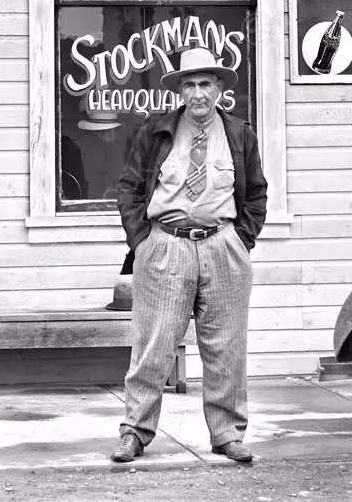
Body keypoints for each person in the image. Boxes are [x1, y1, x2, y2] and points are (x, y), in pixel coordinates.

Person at [112, 47, 268, 464]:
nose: (198, 93)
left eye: (205, 84)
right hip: (165, 243)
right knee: (153, 343)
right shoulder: (154, 133)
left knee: (227, 347)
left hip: (222, 244)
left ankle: (227, 433)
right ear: (180, 90)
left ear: (218, 88)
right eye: (189, 84)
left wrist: (241, 239)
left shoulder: (239, 135)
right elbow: (128, 188)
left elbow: (255, 193)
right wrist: (141, 241)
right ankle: (135, 432)